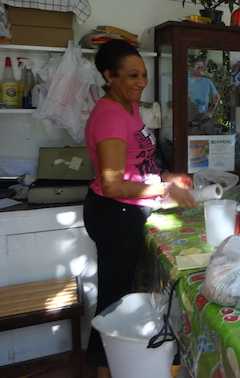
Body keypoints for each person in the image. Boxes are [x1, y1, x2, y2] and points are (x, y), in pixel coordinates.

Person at [84, 39, 197, 375]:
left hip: (128, 210)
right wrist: (165, 189)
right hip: (113, 213)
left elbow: (138, 162)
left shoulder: (128, 108)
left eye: (143, 75)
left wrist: (166, 175)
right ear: (109, 75)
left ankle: (123, 364)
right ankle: (106, 369)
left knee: (123, 294)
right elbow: (113, 183)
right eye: (132, 76)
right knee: (113, 301)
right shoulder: (110, 118)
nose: (141, 82)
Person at [188, 55, 220, 132]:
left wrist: (211, 111)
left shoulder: (207, 81)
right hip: (190, 116)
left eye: (203, 67)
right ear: (193, 68)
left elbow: (217, 96)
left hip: (204, 117)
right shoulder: (187, 80)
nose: (202, 69)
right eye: (199, 67)